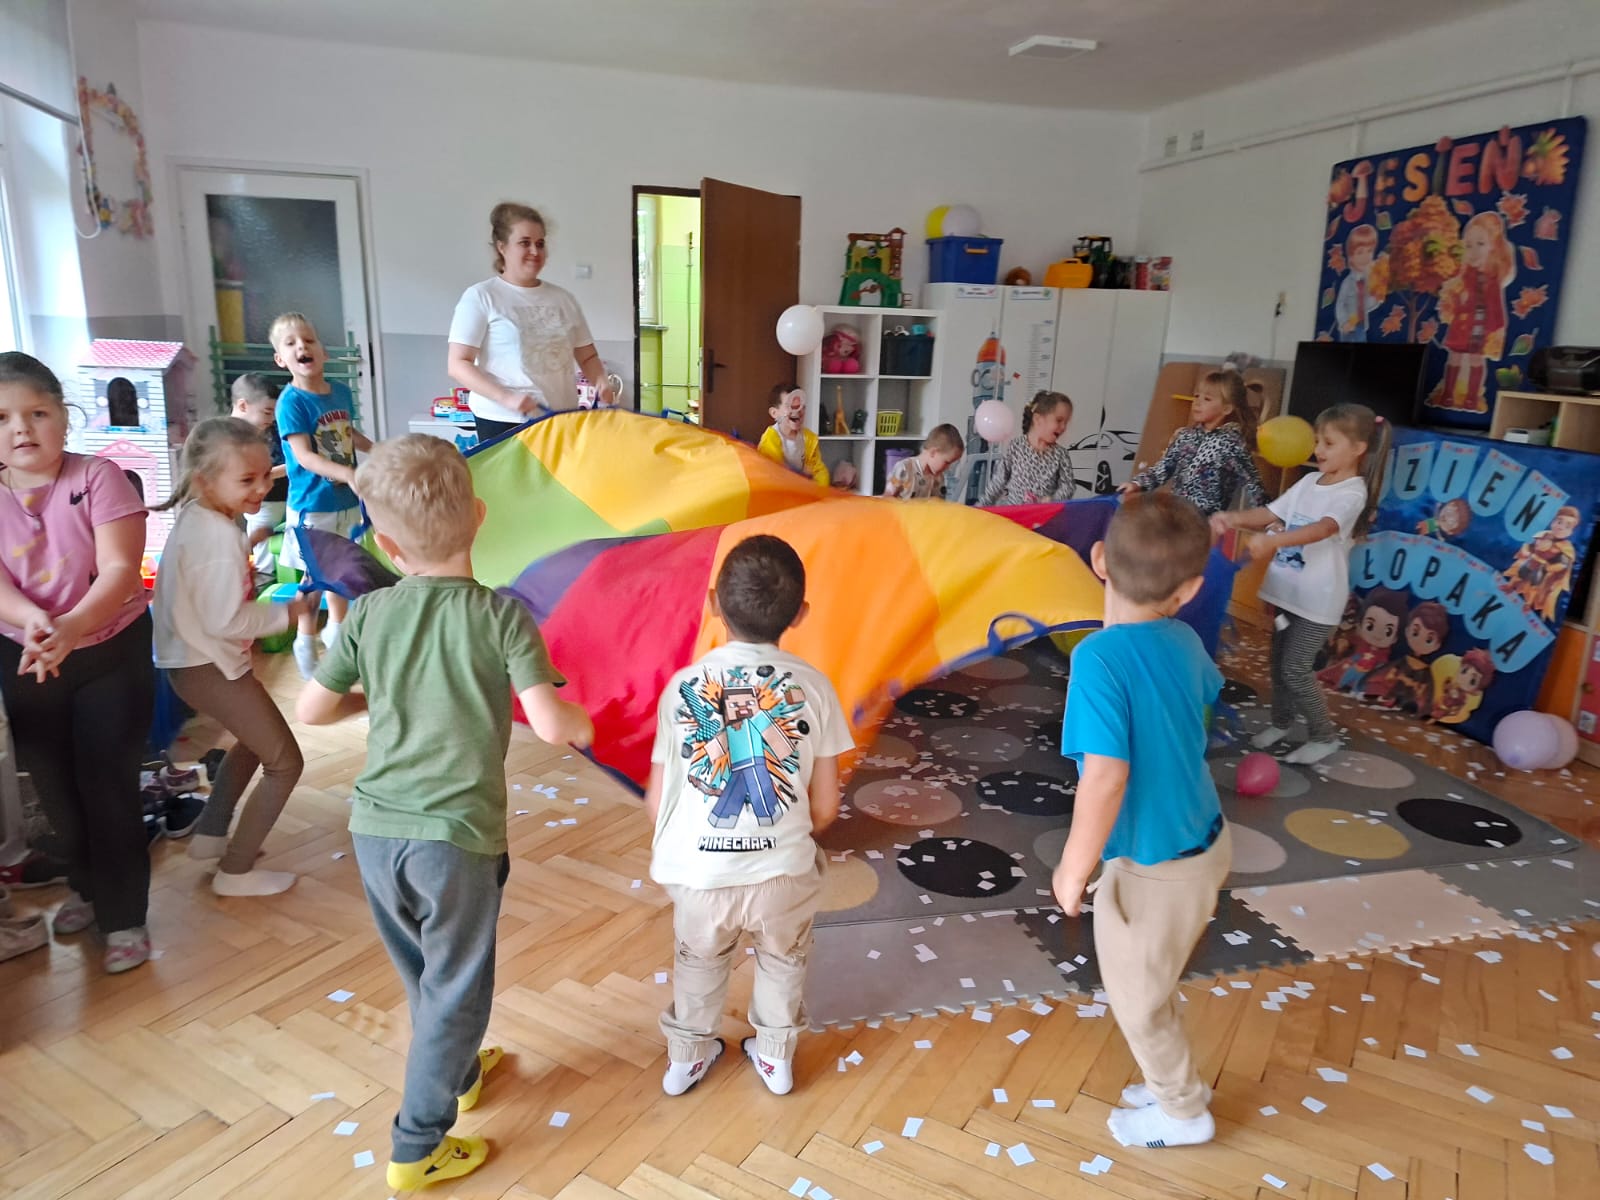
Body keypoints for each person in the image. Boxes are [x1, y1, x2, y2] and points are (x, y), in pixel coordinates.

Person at [296, 434, 593, 1191]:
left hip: (374, 831)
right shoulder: (502, 618)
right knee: (457, 986)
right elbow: (552, 726)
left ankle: (459, 1071)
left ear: (387, 542)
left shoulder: (369, 614)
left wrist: (378, 698)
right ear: (481, 516)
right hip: (454, 840)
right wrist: (585, 723)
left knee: (428, 977)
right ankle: (416, 1146)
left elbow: (312, 709)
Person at [1050, 492, 1231, 1150]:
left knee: (1137, 999)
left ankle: (1184, 1112)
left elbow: (1106, 776)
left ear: (1098, 559)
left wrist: (1073, 868)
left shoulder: (1097, 659)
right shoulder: (1184, 637)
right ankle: (1169, 1083)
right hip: (1198, 838)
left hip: (1161, 865)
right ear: (1190, 589)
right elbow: (1203, 697)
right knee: (1152, 979)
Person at [646, 535, 852, 1099]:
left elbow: (658, 801)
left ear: (715, 603)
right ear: (800, 613)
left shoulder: (682, 688)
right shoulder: (814, 687)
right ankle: (776, 1058)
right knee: (784, 959)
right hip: (781, 873)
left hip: (700, 875)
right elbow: (826, 806)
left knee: (698, 960)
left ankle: (686, 1059)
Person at [0, 352, 155, 973]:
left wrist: (70, 626)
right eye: (3, 418)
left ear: (64, 418)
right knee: (55, 788)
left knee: (107, 784)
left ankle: (124, 916)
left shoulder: (97, 477)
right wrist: (32, 621)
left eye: (37, 413)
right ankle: (87, 888)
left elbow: (119, 570)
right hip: (28, 652)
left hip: (109, 650)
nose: (21, 428)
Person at [151, 418, 310, 897]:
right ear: (205, 480)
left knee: (253, 744)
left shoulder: (201, 516)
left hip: (194, 662)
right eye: (247, 480)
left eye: (264, 475)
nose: (262, 487)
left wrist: (250, 544)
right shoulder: (218, 537)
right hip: (208, 665)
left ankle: (211, 837)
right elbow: (227, 619)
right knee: (285, 762)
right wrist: (288, 612)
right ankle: (235, 872)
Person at [1212, 403, 1391, 765]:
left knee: (1295, 669)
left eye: (1329, 443)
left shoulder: (1352, 493)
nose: (1318, 450)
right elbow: (1271, 513)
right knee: (1279, 664)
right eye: (1317, 441)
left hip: (1316, 604)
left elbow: (1322, 529)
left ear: (1358, 449)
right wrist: (1232, 517)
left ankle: (1324, 736)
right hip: (1287, 596)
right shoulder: (1308, 482)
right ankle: (1282, 722)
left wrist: (1276, 541)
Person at [447, 202, 613, 443]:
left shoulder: (563, 299)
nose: (535, 251)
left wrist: (601, 383)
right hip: (502, 420)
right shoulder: (481, 296)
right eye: (525, 243)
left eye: (540, 243)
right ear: (502, 247)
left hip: (560, 418)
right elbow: (458, 364)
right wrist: (506, 398)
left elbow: (587, 357)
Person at [271, 312, 373, 679]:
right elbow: (303, 456)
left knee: (341, 569)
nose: (302, 346)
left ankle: (338, 631)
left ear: (323, 352)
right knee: (313, 579)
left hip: (346, 502)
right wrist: (348, 473)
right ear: (281, 359)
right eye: (291, 343)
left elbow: (347, 433)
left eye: (309, 340)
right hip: (312, 506)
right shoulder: (291, 402)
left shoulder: (340, 393)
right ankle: (305, 639)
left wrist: (379, 452)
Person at [1118, 370, 1266, 516]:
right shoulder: (1185, 436)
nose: (1197, 403)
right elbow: (1163, 468)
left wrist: (1268, 520)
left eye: (1207, 399)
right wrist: (1137, 484)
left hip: (1204, 522)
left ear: (1226, 408)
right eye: (1196, 396)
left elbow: (1253, 484)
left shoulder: (1232, 444)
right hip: (1176, 514)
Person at [230, 373, 288, 583]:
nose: (271, 418)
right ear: (243, 405)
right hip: (263, 504)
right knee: (265, 561)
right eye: (267, 412)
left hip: (286, 496)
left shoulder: (271, 428)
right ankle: (264, 587)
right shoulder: (226, 437)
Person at [981, 391, 1076, 505]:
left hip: (1043, 514)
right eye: (1059, 420)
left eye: (1066, 422)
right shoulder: (1016, 446)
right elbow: (999, 480)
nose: (1063, 427)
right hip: (1015, 512)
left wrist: (1053, 500)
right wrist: (983, 504)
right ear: (1038, 419)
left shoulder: (1061, 454)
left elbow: (1068, 486)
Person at [756, 385, 828, 486]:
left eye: (801, 406)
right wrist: (802, 475)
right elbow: (773, 474)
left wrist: (817, 488)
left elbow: (819, 470)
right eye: (790, 406)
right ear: (774, 413)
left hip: (806, 489)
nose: (798, 410)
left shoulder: (809, 439)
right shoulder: (770, 439)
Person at [882, 423, 963, 500]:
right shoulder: (904, 468)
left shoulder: (938, 478)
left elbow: (938, 505)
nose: (948, 468)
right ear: (933, 452)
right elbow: (887, 500)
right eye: (947, 462)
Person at [1334, 224, 1383, 342]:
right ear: (1351, 257)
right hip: (1348, 326)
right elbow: (1340, 304)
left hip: (1361, 326)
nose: (1365, 257)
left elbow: (1367, 305)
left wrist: (1376, 297)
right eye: (1360, 252)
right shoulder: (1348, 283)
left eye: (1369, 251)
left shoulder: (1367, 281)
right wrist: (1344, 322)